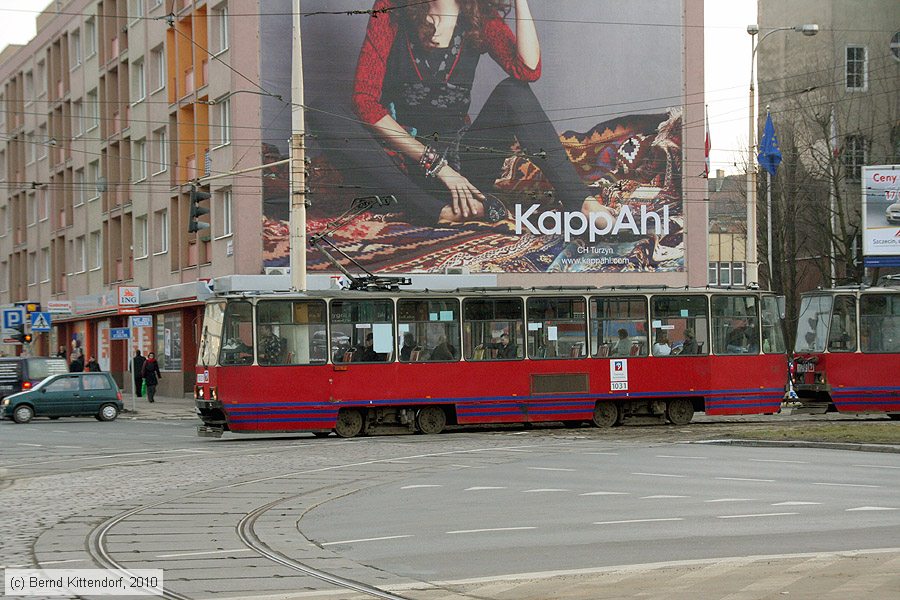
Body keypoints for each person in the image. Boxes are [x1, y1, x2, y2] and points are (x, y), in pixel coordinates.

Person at [335, 0, 593, 225]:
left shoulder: (478, 15)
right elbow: (364, 101)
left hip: (464, 170)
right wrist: (438, 168)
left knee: (514, 92)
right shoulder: (391, 9)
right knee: (322, 108)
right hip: (403, 167)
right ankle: (437, 211)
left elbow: (528, 70)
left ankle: (579, 200)